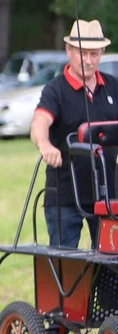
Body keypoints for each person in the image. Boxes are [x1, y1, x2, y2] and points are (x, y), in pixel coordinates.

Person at [31, 19, 118, 248]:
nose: (88, 61)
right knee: (67, 270)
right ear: (69, 51)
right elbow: (40, 121)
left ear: (101, 53)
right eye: (82, 53)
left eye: (94, 54)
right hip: (65, 196)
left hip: (108, 194)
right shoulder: (55, 90)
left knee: (110, 268)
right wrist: (45, 145)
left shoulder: (113, 87)